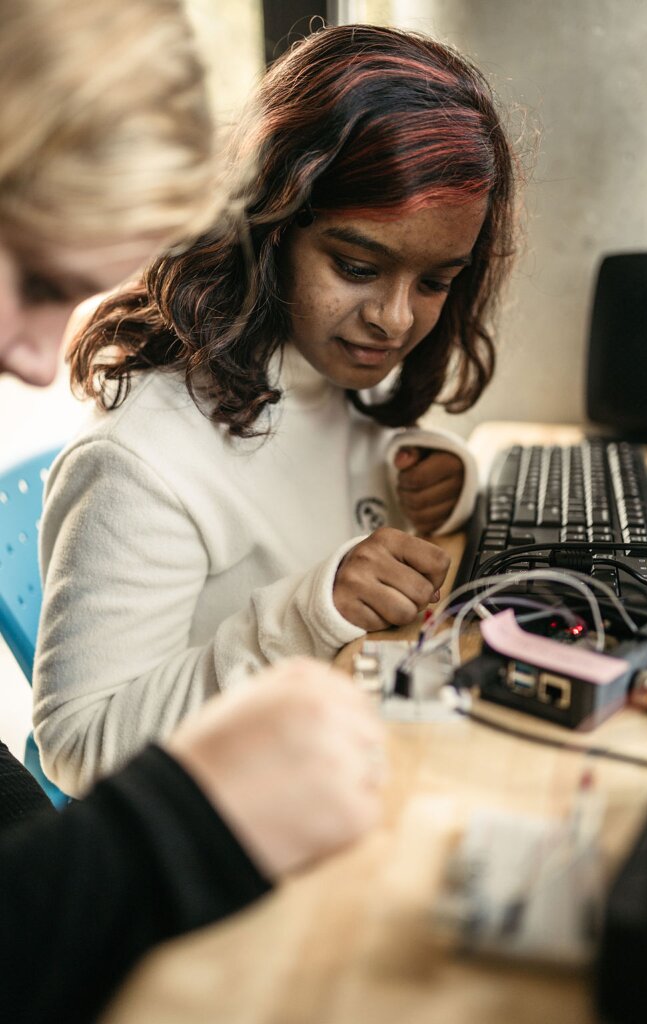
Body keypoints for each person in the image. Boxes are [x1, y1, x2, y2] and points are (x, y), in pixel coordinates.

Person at [0, 3, 383, 1022]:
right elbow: (77, 751)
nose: (38, 359)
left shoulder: (336, 400)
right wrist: (186, 819)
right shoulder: (143, 454)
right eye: (34, 279)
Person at [33, 23, 518, 797]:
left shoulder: (324, 369)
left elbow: (331, 462)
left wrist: (430, 475)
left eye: (435, 282)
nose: (394, 318)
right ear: (266, 226)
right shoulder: (139, 465)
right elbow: (81, 749)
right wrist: (307, 614)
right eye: (358, 266)